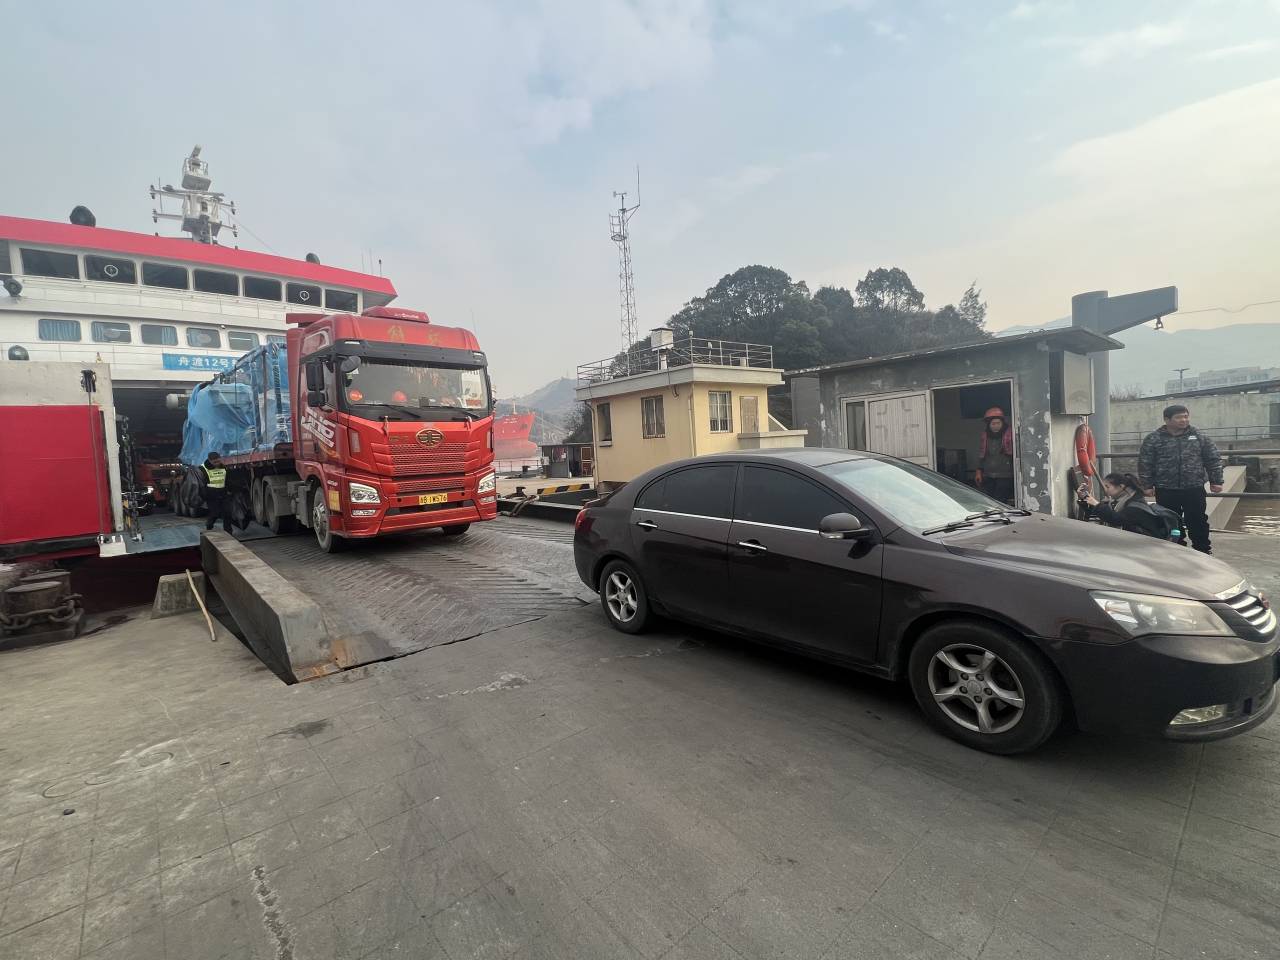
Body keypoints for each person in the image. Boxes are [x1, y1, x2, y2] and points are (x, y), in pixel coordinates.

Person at [1137, 404, 1224, 554]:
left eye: (1186, 416)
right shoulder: (1154, 439)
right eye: (1179, 417)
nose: (1183, 420)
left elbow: (1213, 458)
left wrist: (1216, 481)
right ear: (1167, 419)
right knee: (1170, 520)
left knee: (1198, 520)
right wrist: (1147, 484)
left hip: (1193, 488)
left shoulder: (1198, 436)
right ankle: (1177, 550)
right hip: (1166, 488)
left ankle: (1203, 551)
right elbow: (1145, 463)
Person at [1077, 473, 1178, 539]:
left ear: (1121, 487)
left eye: (1107, 486)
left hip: (1145, 545)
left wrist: (1097, 504)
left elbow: (1115, 519)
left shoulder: (1134, 506)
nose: (1105, 490)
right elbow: (1104, 514)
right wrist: (1085, 498)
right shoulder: (1124, 500)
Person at [974, 407, 1015, 504]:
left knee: (1000, 501)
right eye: (993, 424)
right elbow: (982, 454)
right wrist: (978, 471)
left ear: (1002, 423)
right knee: (989, 500)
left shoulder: (1010, 435)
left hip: (1005, 476)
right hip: (988, 475)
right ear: (989, 424)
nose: (995, 426)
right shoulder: (985, 436)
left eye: (998, 423)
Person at [200, 451, 233, 535]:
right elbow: (200, 484)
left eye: (218, 461)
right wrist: (204, 495)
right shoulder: (202, 468)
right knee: (215, 513)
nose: (217, 463)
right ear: (210, 461)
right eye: (215, 462)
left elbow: (227, 479)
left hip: (223, 493)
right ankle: (209, 524)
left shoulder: (223, 466)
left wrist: (230, 490)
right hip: (211, 494)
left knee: (227, 512)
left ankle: (228, 532)